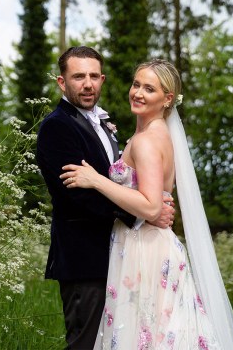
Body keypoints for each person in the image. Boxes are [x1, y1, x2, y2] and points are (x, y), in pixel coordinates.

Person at [61, 58, 233, 350]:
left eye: (149, 88)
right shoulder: (156, 134)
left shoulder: (147, 140)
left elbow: (150, 207)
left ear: (167, 98)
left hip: (144, 250)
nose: (138, 93)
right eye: (136, 84)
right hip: (148, 244)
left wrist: (96, 180)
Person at [36, 47, 175, 350]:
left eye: (93, 76)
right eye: (78, 77)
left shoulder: (105, 123)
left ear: (102, 79)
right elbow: (78, 197)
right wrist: (145, 213)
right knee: (86, 343)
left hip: (123, 254)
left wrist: (145, 207)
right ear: (62, 82)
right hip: (85, 258)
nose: (87, 84)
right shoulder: (56, 127)